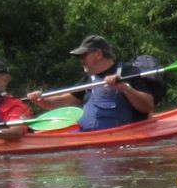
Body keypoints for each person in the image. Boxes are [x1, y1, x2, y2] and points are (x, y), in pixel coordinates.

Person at [31, 36, 165, 131]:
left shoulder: (127, 72)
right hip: (90, 139)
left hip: (123, 138)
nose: (80, 60)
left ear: (98, 54)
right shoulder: (89, 80)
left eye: (83, 55)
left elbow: (147, 106)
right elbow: (62, 101)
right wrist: (41, 100)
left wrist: (125, 88)